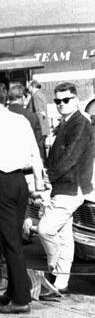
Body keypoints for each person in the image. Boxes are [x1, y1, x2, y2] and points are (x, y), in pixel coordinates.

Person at [0, 79, 45, 314]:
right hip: (20, 183)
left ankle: (21, 299)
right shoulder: (21, 119)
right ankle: (14, 290)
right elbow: (35, 153)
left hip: (1, 183)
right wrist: (38, 184)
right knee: (13, 238)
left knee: (10, 242)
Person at [36, 82, 95, 299]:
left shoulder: (79, 123)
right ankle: (61, 283)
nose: (61, 104)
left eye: (66, 100)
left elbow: (70, 157)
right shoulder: (66, 123)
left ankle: (54, 269)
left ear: (76, 100)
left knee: (46, 229)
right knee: (64, 235)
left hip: (71, 187)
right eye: (58, 101)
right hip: (65, 185)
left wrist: (48, 178)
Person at [7, 83, 43, 150]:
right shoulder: (32, 116)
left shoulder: (2, 116)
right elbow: (39, 142)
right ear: (23, 97)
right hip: (28, 155)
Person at [27, 79, 50, 159]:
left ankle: (42, 162)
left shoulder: (36, 96)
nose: (28, 88)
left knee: (39, 147)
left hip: (40, 126)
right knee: (42, 146)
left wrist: (37, 127)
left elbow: (39, 112)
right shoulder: (40, 94)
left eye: (29, 86)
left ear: (33, 86)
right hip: (43, 126)